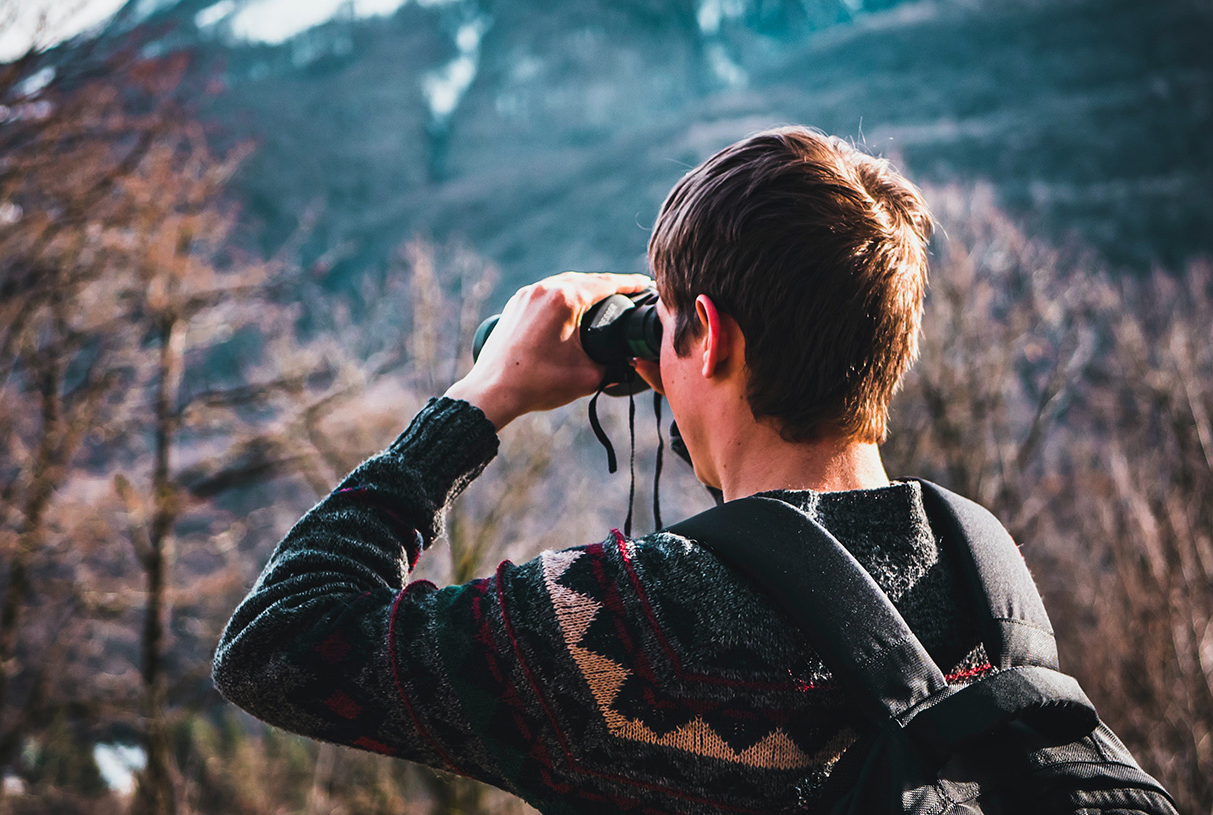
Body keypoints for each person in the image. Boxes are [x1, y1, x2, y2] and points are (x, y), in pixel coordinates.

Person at [214, 126, 991, 814]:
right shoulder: (982, 578)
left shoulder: (638, 641)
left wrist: (478, 399)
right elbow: (801, 560)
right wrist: (705, 389)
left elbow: (274, 642)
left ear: (711, 335)